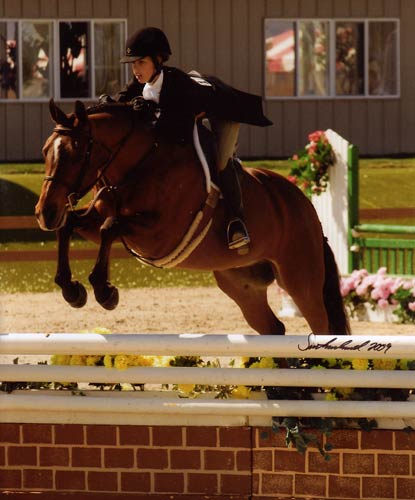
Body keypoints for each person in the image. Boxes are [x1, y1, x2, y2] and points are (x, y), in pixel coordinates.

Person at [100, 27, 272, 252]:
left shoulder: (178, 86)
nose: (135, 69)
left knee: (221, 160)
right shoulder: (141, 82)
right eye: (132, 64)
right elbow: (121, 102)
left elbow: (178, 129)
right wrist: (107, 104)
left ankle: (237, 222)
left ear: (158, 60)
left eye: (140, 62)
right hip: (187, 113)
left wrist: (148, 110)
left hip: (223, 110)